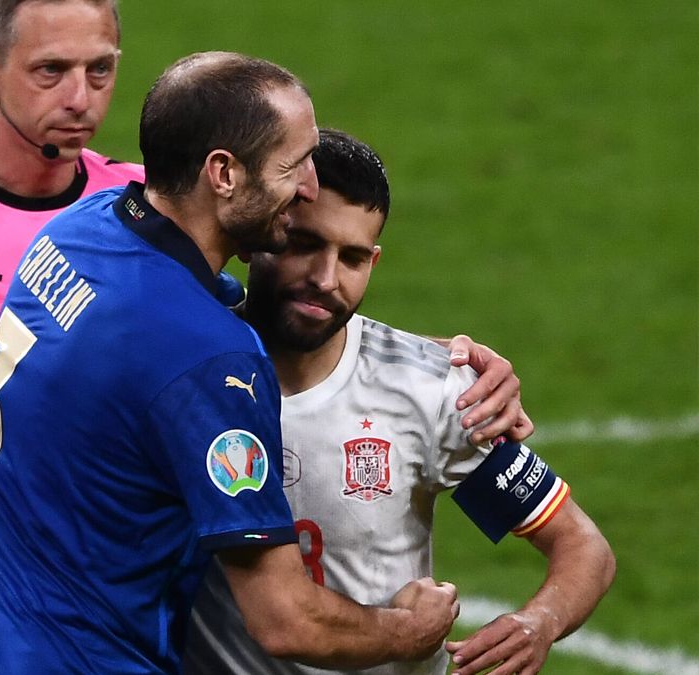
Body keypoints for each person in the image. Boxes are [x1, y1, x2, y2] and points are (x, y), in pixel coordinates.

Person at [0, 2, 526, 670]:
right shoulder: (211, 364)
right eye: (292, 165)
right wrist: (413, 627)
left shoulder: (78, 231)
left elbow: (194, 327)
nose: (309, 187)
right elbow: (286, 621)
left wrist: (432, 362)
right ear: (220, 174)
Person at [184, 129, 616, 675]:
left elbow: (582, 545)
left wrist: (540, 621)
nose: (326, 279)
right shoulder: (184, 377)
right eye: (307, 245)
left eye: (353, 258)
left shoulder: (428, 390)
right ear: (264, 234)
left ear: (375, 261)